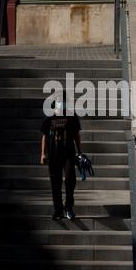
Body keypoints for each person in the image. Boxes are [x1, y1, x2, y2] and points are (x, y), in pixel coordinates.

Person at [40, 91, 82, 220]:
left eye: (63, 99)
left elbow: (76, 135)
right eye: (59, 99)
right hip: (53, 153)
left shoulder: (72, 116)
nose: (61, 101)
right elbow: (45, 136)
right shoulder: (50, 117)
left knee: (70, 179)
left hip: (68, 153)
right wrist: (43, 153)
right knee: (55, 182)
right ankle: (58, 210)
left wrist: (80, 152)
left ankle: (68, 207)